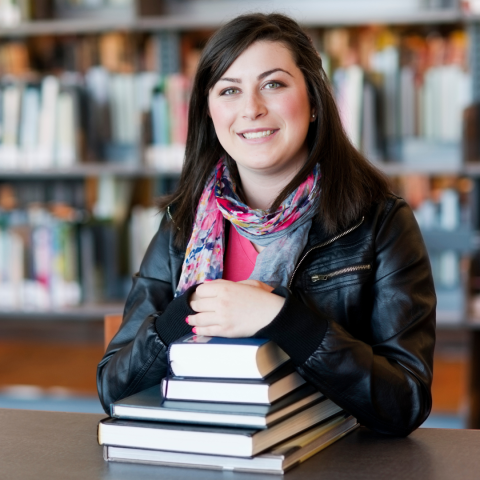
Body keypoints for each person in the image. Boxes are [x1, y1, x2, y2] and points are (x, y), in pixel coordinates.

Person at [97, 13, 436, 437]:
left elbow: (406, 402)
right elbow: (112, 389)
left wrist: (284, 319)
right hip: (206, 454)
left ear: (313, 100)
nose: (251, 109)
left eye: (273, 84)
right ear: (209, 112)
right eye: (229, 90)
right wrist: (185, 312)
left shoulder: (381, 222)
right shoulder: (180, 227)